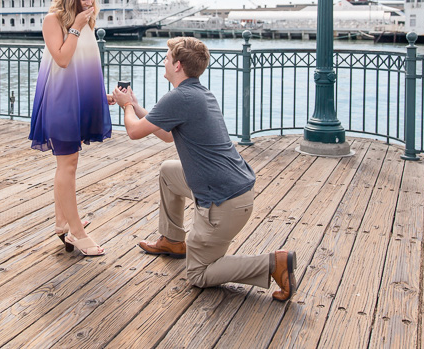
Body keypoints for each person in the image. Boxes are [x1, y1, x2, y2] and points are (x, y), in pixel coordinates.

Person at [111, 37, 296, 301]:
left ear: (177, 65)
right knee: (168, 172)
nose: (163, 61)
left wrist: (127, 106)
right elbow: (166, 135)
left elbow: (133, 132)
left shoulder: (179, 97)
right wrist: (136, 105)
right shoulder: (199, 93)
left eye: (166, 58)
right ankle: (173, 240)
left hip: (223, 203)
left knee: (198, 274)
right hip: (236, 192)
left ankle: (272, 264)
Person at [29, 0, 113, 257]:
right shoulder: (53, 20)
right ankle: (77, 232)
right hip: (60, 100)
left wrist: (99, 96)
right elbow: (63, 60)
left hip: (79, 100)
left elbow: (84, 64)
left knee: (68, 165)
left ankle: (62, 223)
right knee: (67, 165)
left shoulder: (87, 20)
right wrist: (76, 26)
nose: (89, 3)